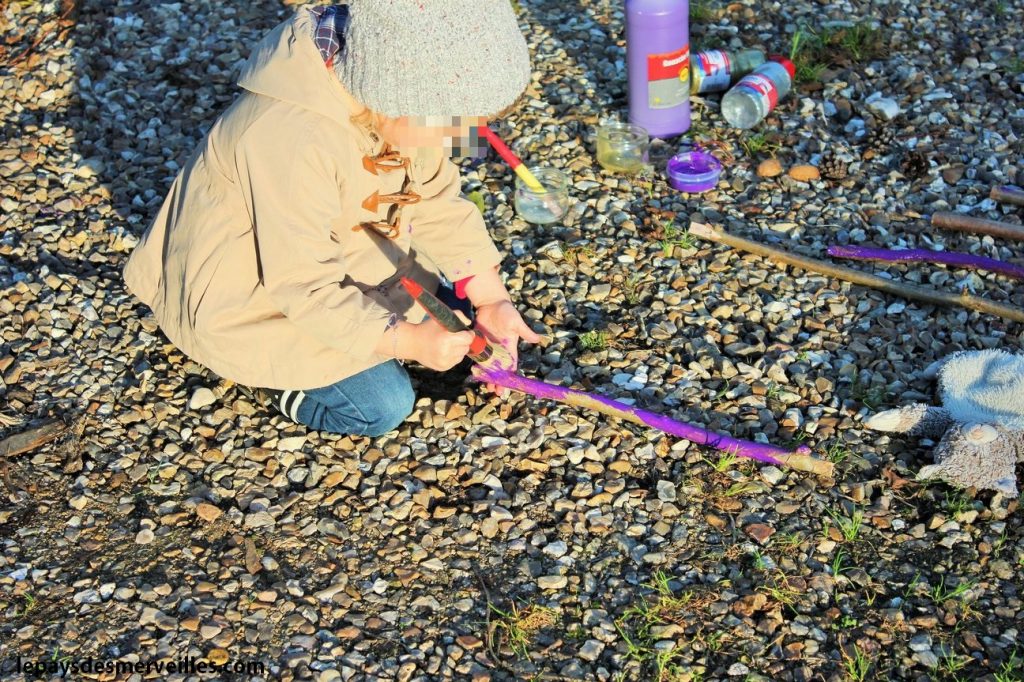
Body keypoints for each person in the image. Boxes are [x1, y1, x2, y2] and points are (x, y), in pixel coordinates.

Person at [123, 1, 541, 436]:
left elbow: (436, 198)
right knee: (383, 406)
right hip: (255, 300)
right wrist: (405, 341)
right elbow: (301, 284)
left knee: (464, 321)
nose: (462, 139)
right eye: (454, 125)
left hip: (354, 259)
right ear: (395, 97)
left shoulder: (406, 102)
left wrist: (490, 297)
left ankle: (400, 328)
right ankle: (272, 381)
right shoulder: (290, 140)